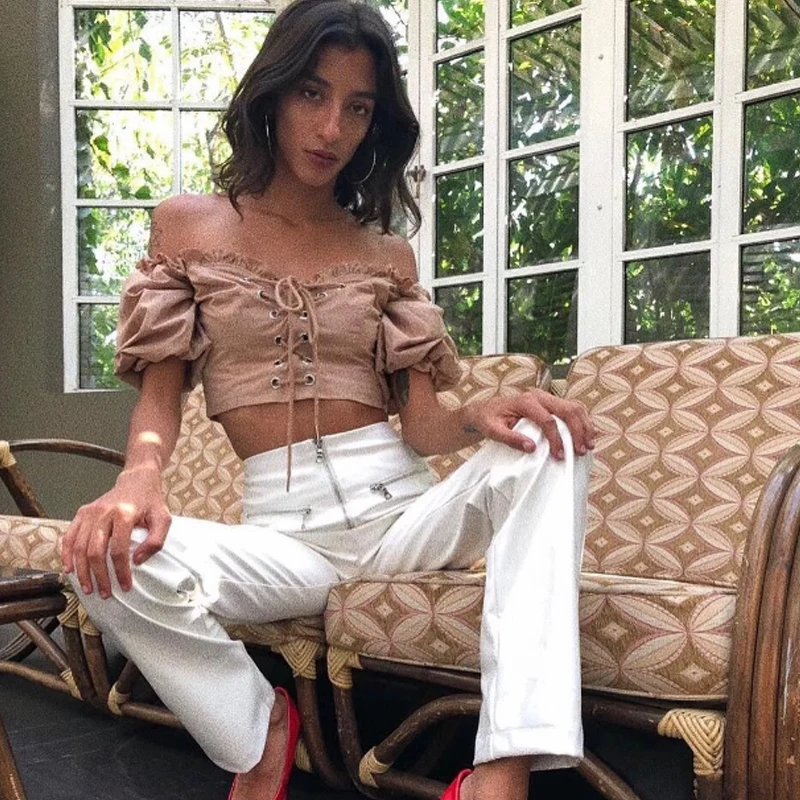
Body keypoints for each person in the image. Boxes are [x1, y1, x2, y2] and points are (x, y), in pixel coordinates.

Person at [61, 1, 596, 798]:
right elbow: (159, 402)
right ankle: (258, 734)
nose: (331, 128)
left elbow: (421, 426)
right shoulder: (188, 227)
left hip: (403, 515)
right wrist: (140, 476)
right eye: (312, 94)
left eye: (358, 106)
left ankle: (503, 765)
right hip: (288, 538)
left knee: (555, 445)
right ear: (272, 94)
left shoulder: (386, 254)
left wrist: (477, 415)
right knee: (101, 565)